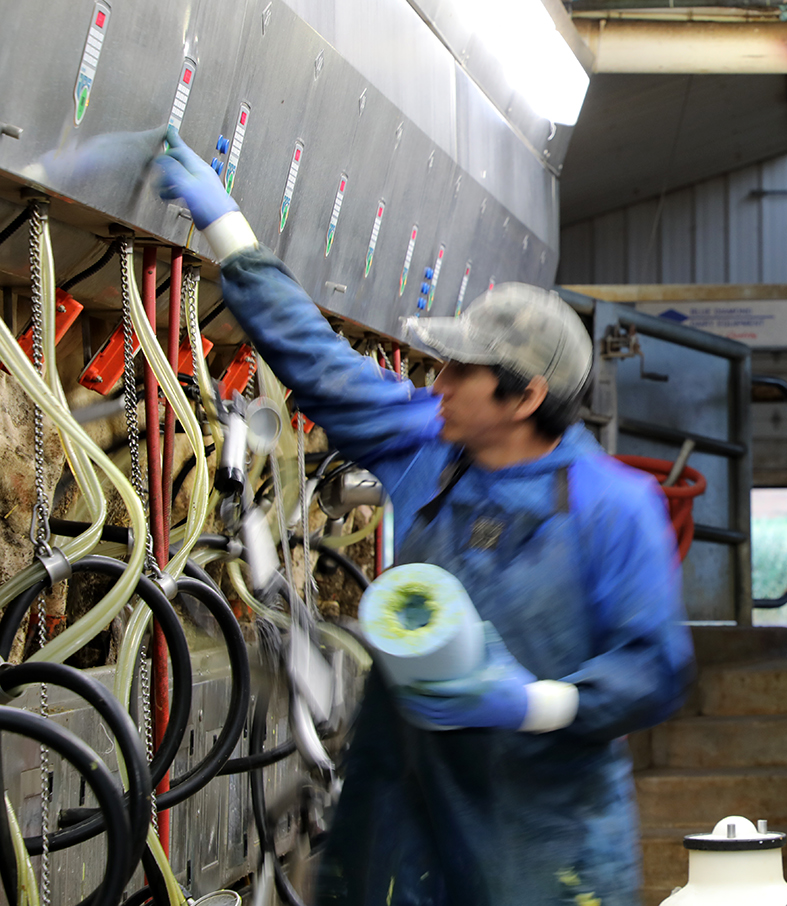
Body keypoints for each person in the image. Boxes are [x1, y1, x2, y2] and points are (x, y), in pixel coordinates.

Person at [152, 125, 694, 906]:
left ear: (524, 396)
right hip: (403, 822)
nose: (436, 382)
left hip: (543, 845)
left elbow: (656, 668)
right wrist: (226, 227)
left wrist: (532, 702)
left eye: (459, 371)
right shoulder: (427, 444)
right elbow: (318, 361)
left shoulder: (615, 507)